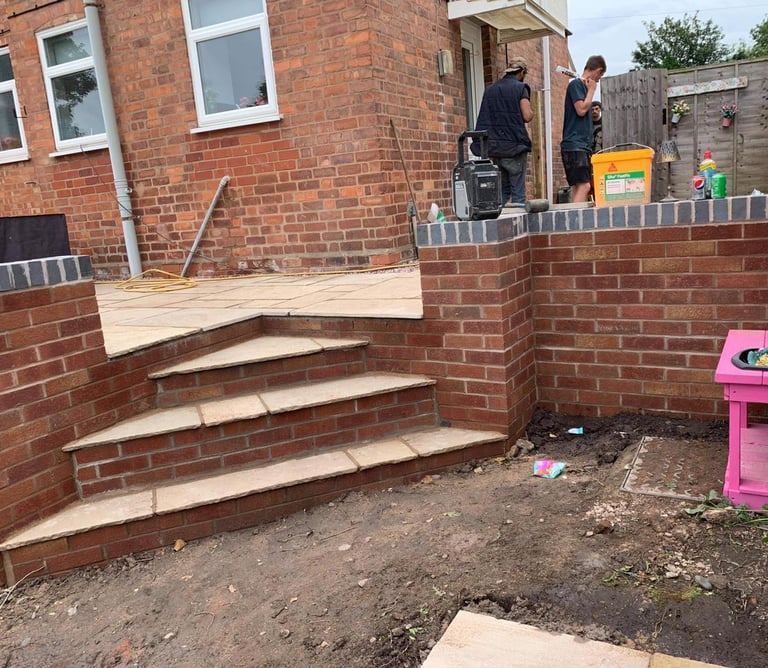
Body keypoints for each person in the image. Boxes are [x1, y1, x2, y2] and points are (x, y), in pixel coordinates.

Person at [472, 56, 534, 207]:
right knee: (518, 194)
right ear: (521, 72)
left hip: (495, 149)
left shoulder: (490, 90)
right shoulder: (521, 88)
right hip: (514, 148)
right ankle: (518, 228)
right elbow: (527, 115)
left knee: (503, 192)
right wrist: (531, 113)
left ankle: (498, 223)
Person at [560, 55, 607, 203]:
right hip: (576, 145)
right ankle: (576, 222)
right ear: (598, 71)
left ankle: (572, 221)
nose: (598, 80)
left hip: (579, 146)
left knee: (577, 187)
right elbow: (581, 109)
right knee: (585, 186)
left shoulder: (581, 87)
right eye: (600, 76)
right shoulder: (576, 85)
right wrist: (592, 90)